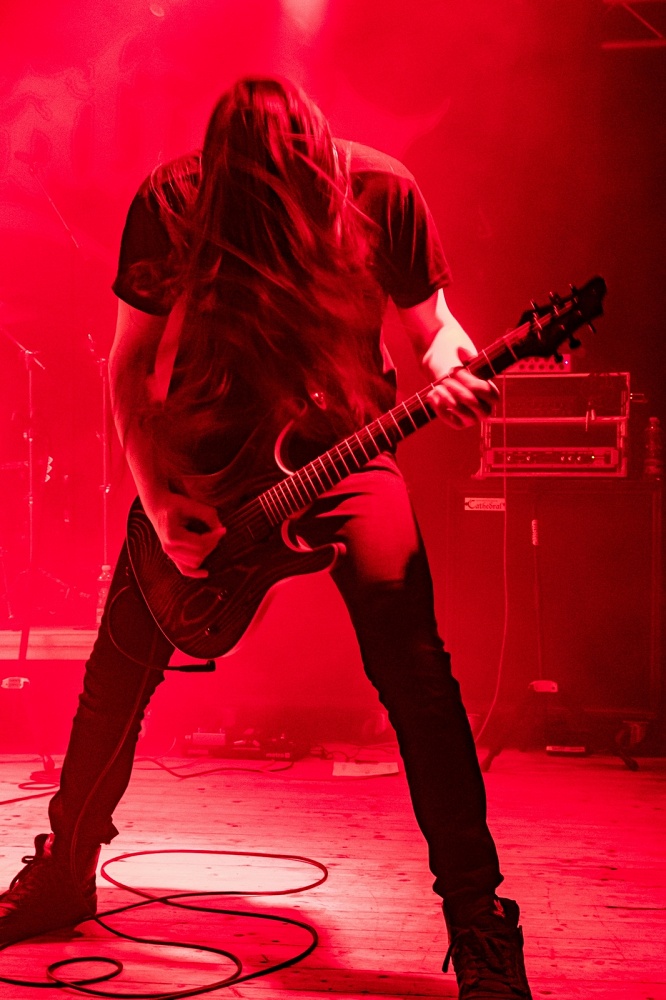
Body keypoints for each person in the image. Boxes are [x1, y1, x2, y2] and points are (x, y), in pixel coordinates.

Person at [0, 77, 532, 998]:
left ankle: (479, 918)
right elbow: (129, 361)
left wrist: (455, 370)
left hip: (344, 451)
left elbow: (435, 330)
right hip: (208, 460)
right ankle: (64, 869)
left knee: (417, 673)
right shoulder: (174, 203)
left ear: (321, 179)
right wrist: (156, 500)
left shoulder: (383, 195)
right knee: (117, 671)